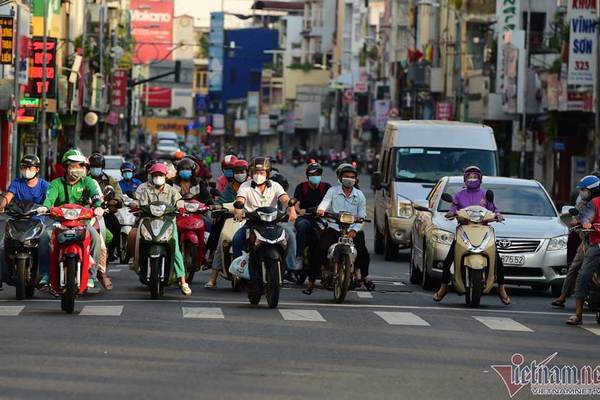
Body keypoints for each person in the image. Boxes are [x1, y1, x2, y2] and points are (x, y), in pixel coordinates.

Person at [432, 166, 510, 305]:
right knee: (449, 259)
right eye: (469, 176)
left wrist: (498, 215)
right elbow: (452, 209)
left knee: (497, 260)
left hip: (483, 230)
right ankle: (444, 287)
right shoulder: (458, 195)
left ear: (480, 179)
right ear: (465, 178)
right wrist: (451, 213)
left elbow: (494, 209)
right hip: (464, 230)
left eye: (475, 176)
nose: (472, 179)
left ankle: (501, 288)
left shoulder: (486, 195)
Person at [40, 149, 109, 290]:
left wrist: (97, 207)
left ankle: (91, 275)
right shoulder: (56, 183)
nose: (77, 169)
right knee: (44, 237)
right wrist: (45, 207)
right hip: (59, 223)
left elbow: (95, 195)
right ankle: (45, 274)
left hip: (82, 223)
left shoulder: (87, 182)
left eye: (80, 166)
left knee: (95, 237)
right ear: (65, 167)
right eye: (73, 166)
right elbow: (49, 198)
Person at [231, 157, 298, 289]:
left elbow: (285, 199)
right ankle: (239, 273)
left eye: (261, 173)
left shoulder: (275, 185)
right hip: (252, 223)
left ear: (267, 174)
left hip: (273, 223)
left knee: (290, 236)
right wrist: (238, 209)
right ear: (251, 173)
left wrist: (291, 209)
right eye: (255, 172)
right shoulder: (246, 185)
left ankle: (289, 269)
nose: (258, 175)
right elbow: (240, 198)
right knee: (237, 239)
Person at [312, 163, 374, 295]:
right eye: (346, 176)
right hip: (334, 227)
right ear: (340, 178)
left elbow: (362, 215)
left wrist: (354, 230)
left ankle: (365, 277)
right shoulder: (332, 191)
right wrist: (321, 210)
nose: (349, 179)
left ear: (355, 179)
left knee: (363, 253)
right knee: (320, 249)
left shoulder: (360, 195)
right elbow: (324, 203)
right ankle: (312, 280)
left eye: (352, 177)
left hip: (352, 230)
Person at [133, 162, 192, 296]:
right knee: (140, 243)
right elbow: (140, 204)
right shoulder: (146, 192)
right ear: (151, 177)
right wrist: (136, 206)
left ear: (165, 176)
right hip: (149, 223)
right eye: (155, 175)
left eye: (160, 175)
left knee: (175, 249)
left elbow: (179, 202)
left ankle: (182, 281)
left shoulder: (172, 191)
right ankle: (139, 266)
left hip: (168, 223)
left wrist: (181, 207)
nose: (158, 177)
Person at [0, 155, 51, 288]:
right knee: (2, 245)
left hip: (37, 222)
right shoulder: (17, 183)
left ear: (37, 169)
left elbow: (51, 200)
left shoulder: (44, 185)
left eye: (29, 167)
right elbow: (8, 197)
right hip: (17, 220)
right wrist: (2, 206)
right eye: (23, 167)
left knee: (45, 244)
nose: (26, 170)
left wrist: (51, 209)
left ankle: (45, 276)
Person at [552, 175, 598, 308]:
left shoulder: (597, 203)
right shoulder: (583, 203)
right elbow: (577, 220)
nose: (582, 192)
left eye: (584, 189)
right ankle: (565, 298)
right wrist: (578, 222)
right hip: (587, 241)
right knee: (577, 269)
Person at [204, 159, 249, 288]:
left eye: (243, 172)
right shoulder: (229, 187)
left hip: (250, 219)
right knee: (221, 244)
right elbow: (222, 201)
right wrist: (217, 207)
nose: (240, 174)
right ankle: (213, 278)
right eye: (237, 172)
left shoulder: (251, 185)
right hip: (232, 218)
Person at [293, 162, 331, 293]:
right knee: (302, 227)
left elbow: (332, 202)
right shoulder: (301, 187)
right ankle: (299, 257)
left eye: (317, 174)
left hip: (323, 219)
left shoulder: (326, 187)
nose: (315, 177)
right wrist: (299, 210)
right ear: (307, 176)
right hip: (306, 218)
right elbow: (296, 203)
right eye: (312, 175)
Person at [89, 152, 124, 265]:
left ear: (102, 167)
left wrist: (115, 200)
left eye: (97, 167)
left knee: (116, 227)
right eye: (93, 167)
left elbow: (118, 194)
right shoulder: (85, 180)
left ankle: (112, 251)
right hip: (89, 213)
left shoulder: (110, 180)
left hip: (106, 212)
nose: (95, 169)